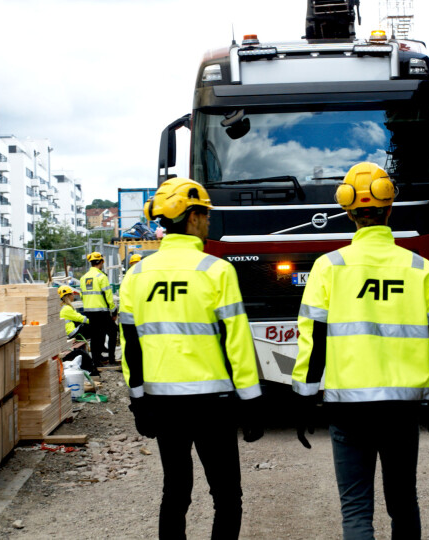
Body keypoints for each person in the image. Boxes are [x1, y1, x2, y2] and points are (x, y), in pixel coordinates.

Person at [292, 162, 429, 540]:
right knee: (403, 502)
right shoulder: (420, 268)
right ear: (389, 209)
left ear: (349, 213)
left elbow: (312, 339)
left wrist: (304, 397)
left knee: (355, 509)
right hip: (402, 408)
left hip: (348, 408)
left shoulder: (327, 267)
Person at [119, 178, 264, 539]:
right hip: (213, 404)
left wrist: (138, 402)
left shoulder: (136, 275)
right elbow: (237, 344)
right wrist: (251, 402)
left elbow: (131, 347)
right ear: (193, 217)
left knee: (175, 492)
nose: (208, 221)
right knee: (227, 496)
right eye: (206, 214)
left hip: (162, 403)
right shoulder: (217, 271)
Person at [80, 251, 118, 365]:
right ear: (101, 262)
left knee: (95, 336)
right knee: (113, 332)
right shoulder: (101, 277)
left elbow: (82, 295)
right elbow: (108, 296)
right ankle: (111, 359)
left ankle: (96, 361)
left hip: (89, 312)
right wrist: (114, 311)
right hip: (101, 312)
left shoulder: (83, 278)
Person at [58, 285, 99, 375]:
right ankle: (97, 357)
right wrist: (93, 321)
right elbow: (80, 318)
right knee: (95, 329)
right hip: (72, 333)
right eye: (72, 294)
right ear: (68, 296)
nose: (73, 296)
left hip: (69, 333)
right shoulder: (67, 308)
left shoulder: (63, 307)